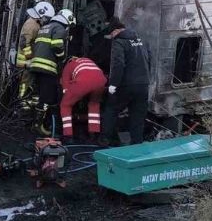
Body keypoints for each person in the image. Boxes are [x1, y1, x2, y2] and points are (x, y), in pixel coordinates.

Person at [100, 17, 151, 146]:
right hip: (143, 84)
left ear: (115, 31)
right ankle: (136, 144)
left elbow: (118, 64)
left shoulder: (119, 42)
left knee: (111, 109)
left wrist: (113, 84)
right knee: (137, 117)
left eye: (111, 34)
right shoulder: (142, 40)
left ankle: (105, 140)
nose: (111, 37)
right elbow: (149, 59)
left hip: (126, 85)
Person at [29, 9, 76, 135]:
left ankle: (33, 121)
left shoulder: (46, 27)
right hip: (47, 67)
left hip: (35, 65)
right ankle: (38, 126)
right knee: (47, 97)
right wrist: (62, 57)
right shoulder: (59, 28)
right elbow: (56, 45)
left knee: (39, 95)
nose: (68, 28)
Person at [16, 1, 54, 112]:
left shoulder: (35, 23)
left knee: (32, 84)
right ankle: (22, 105)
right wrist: (30, 58)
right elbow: (24, 43)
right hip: (25, 62)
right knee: (25, 84)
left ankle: (30, 105)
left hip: (29, 62)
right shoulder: (31, 25)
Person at [59, 56, 106, 144]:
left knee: (65, 105)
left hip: (83, 81)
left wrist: (69, 93)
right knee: (94, 104)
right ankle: (94, 134)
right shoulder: (88, 60)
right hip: (101, 80)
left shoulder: (69, 64)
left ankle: (68, 135)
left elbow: (65, 87)